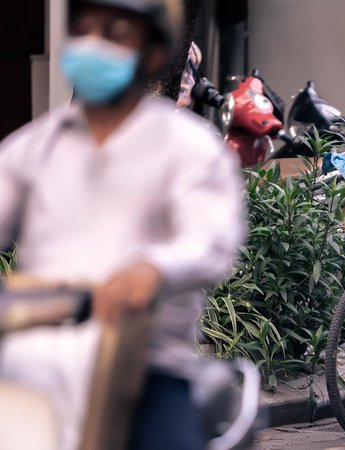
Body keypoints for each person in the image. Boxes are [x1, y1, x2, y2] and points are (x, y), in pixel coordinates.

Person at [0, 0, 244, 448]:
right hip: (36, 362)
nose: (94, 44)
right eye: (85, 29)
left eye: (115, 32)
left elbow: (210, 241)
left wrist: (155, 268)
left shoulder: (189, 149)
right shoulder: (34, 148)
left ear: (152, 53)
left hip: (148, 369)